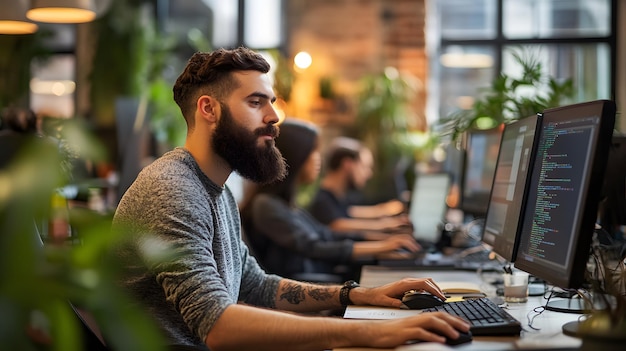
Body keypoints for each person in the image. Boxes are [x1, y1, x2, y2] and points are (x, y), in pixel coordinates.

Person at [112, 47, 470, 351]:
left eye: (270, 102)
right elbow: (217, 325)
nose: (273, 117)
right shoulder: (172, 188)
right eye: (255, 103)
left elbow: (253, 284)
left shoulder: (213, 189)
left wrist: (357, 296)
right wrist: (371, 330)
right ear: (209, 109)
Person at [240, 119, 420, 282]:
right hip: (305, 288)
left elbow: (327, 234)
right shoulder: (265, 205)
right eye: (313, 152)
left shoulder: (288, 205)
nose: (319, 160)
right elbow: (313, 247)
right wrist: (381, 245)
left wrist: (384, 242)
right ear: (297, 156)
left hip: (321, 278)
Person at [309, 136, 411, 233]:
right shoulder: (322, 200)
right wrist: (383, 225)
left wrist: (381, 211)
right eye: (364, 167)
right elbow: (337, 225)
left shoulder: (338, 196)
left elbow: (349, 212)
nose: (369, 174)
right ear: (347, 164)